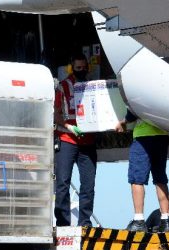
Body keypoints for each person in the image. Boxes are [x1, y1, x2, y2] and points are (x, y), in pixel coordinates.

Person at [54, 53, 97, 227]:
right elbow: (55, 112)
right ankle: (63, 222)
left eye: (83, 67)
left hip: (88, 142)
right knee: (63, 182)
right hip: (67, 139)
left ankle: (85, 221)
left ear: (87, 67)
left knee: (88, 185)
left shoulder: (93, 87)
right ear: (72, 68)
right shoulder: (63, 87)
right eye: (77, 68)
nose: (81, 70)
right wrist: (68, 126)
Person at [115, 109, 169, 232]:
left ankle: (139, 220)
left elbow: (133, 111)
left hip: (143, 137)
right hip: (161, 135)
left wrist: (123, 122)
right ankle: (165, 220)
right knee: (160, 178)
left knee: (137, 179)